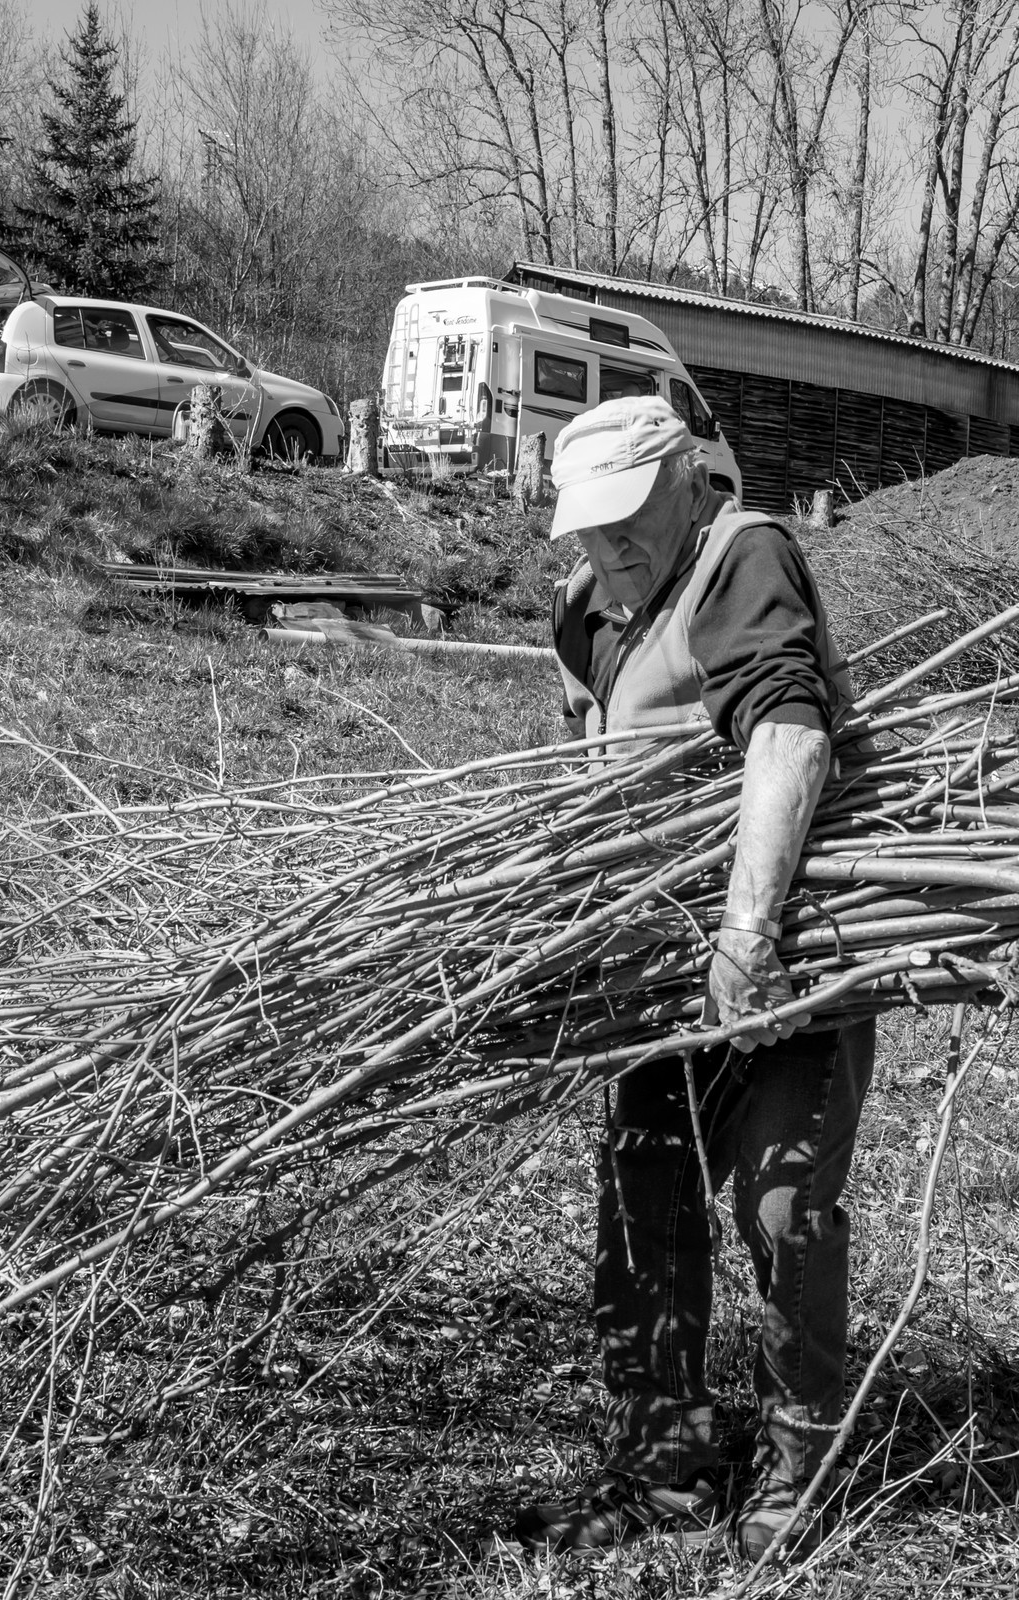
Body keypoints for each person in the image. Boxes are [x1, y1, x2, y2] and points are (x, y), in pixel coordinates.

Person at [513, 396, 874, 1562]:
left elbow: (788, 736)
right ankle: (664, 1452)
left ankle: (803, 1455)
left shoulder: (741, 553)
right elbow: (588, 753)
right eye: (587, 533)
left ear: (684, 483)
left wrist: (745, 937)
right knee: (642, 1182)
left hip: (783, 947)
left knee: (779, 1201)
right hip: (655, 964)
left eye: (626, 526)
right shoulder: (588, 611)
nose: (606, 553)